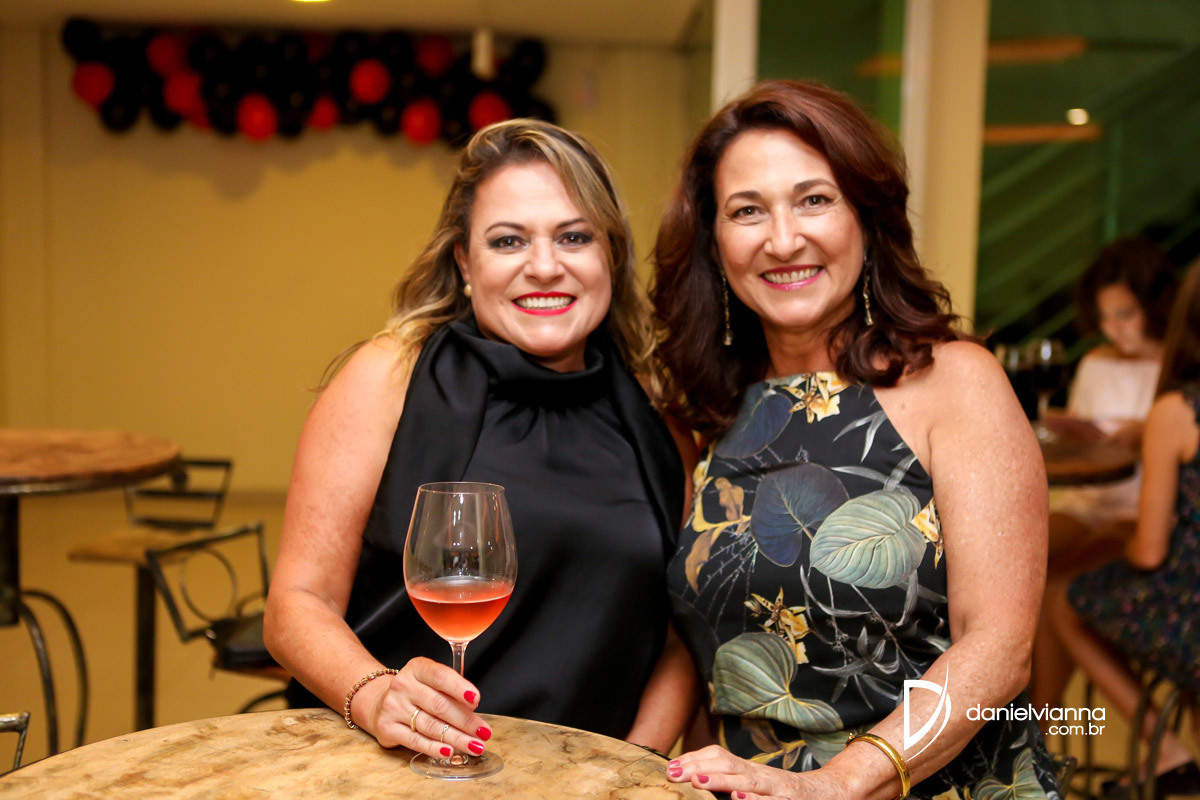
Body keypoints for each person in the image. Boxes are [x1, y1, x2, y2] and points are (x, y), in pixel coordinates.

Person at [651, 80, 1060, 799]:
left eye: (814, 199)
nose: (783, 240)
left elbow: (998, 648)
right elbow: (696, 653)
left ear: (867, 218)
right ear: (714, 242)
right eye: (747, 210)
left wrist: (838, 783)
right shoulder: (705, 414)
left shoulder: (954, 382)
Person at [263, 119, 695, 761]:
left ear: (610, 252)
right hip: (391, 769)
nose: (543, 267)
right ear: (465, 261)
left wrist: (633, 768)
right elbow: (298, 604)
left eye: (574, 237)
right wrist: (376, 697)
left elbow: (678, 637)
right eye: (508, 240)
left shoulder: (660, 421)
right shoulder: (390, 379)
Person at [1048, 259, 1200, 799]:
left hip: (1186, 610)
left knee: (1063, 598)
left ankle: (1165, 752)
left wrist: (1130, 543)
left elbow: (1149, 552)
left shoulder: (1177, 410)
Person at [1032, 237, 1178, 715]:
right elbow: (1084, 443)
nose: (1113, 329)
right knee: (1020, 565)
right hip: (1087, 501)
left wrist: (1148, 432)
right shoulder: (1095, 362)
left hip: (1138, 510)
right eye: (1105, 317)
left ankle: (1039, 725)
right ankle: (1012, 710)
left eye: (1125, 314)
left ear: (1154, 306)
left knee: (1053, 588)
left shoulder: (1177, 372)